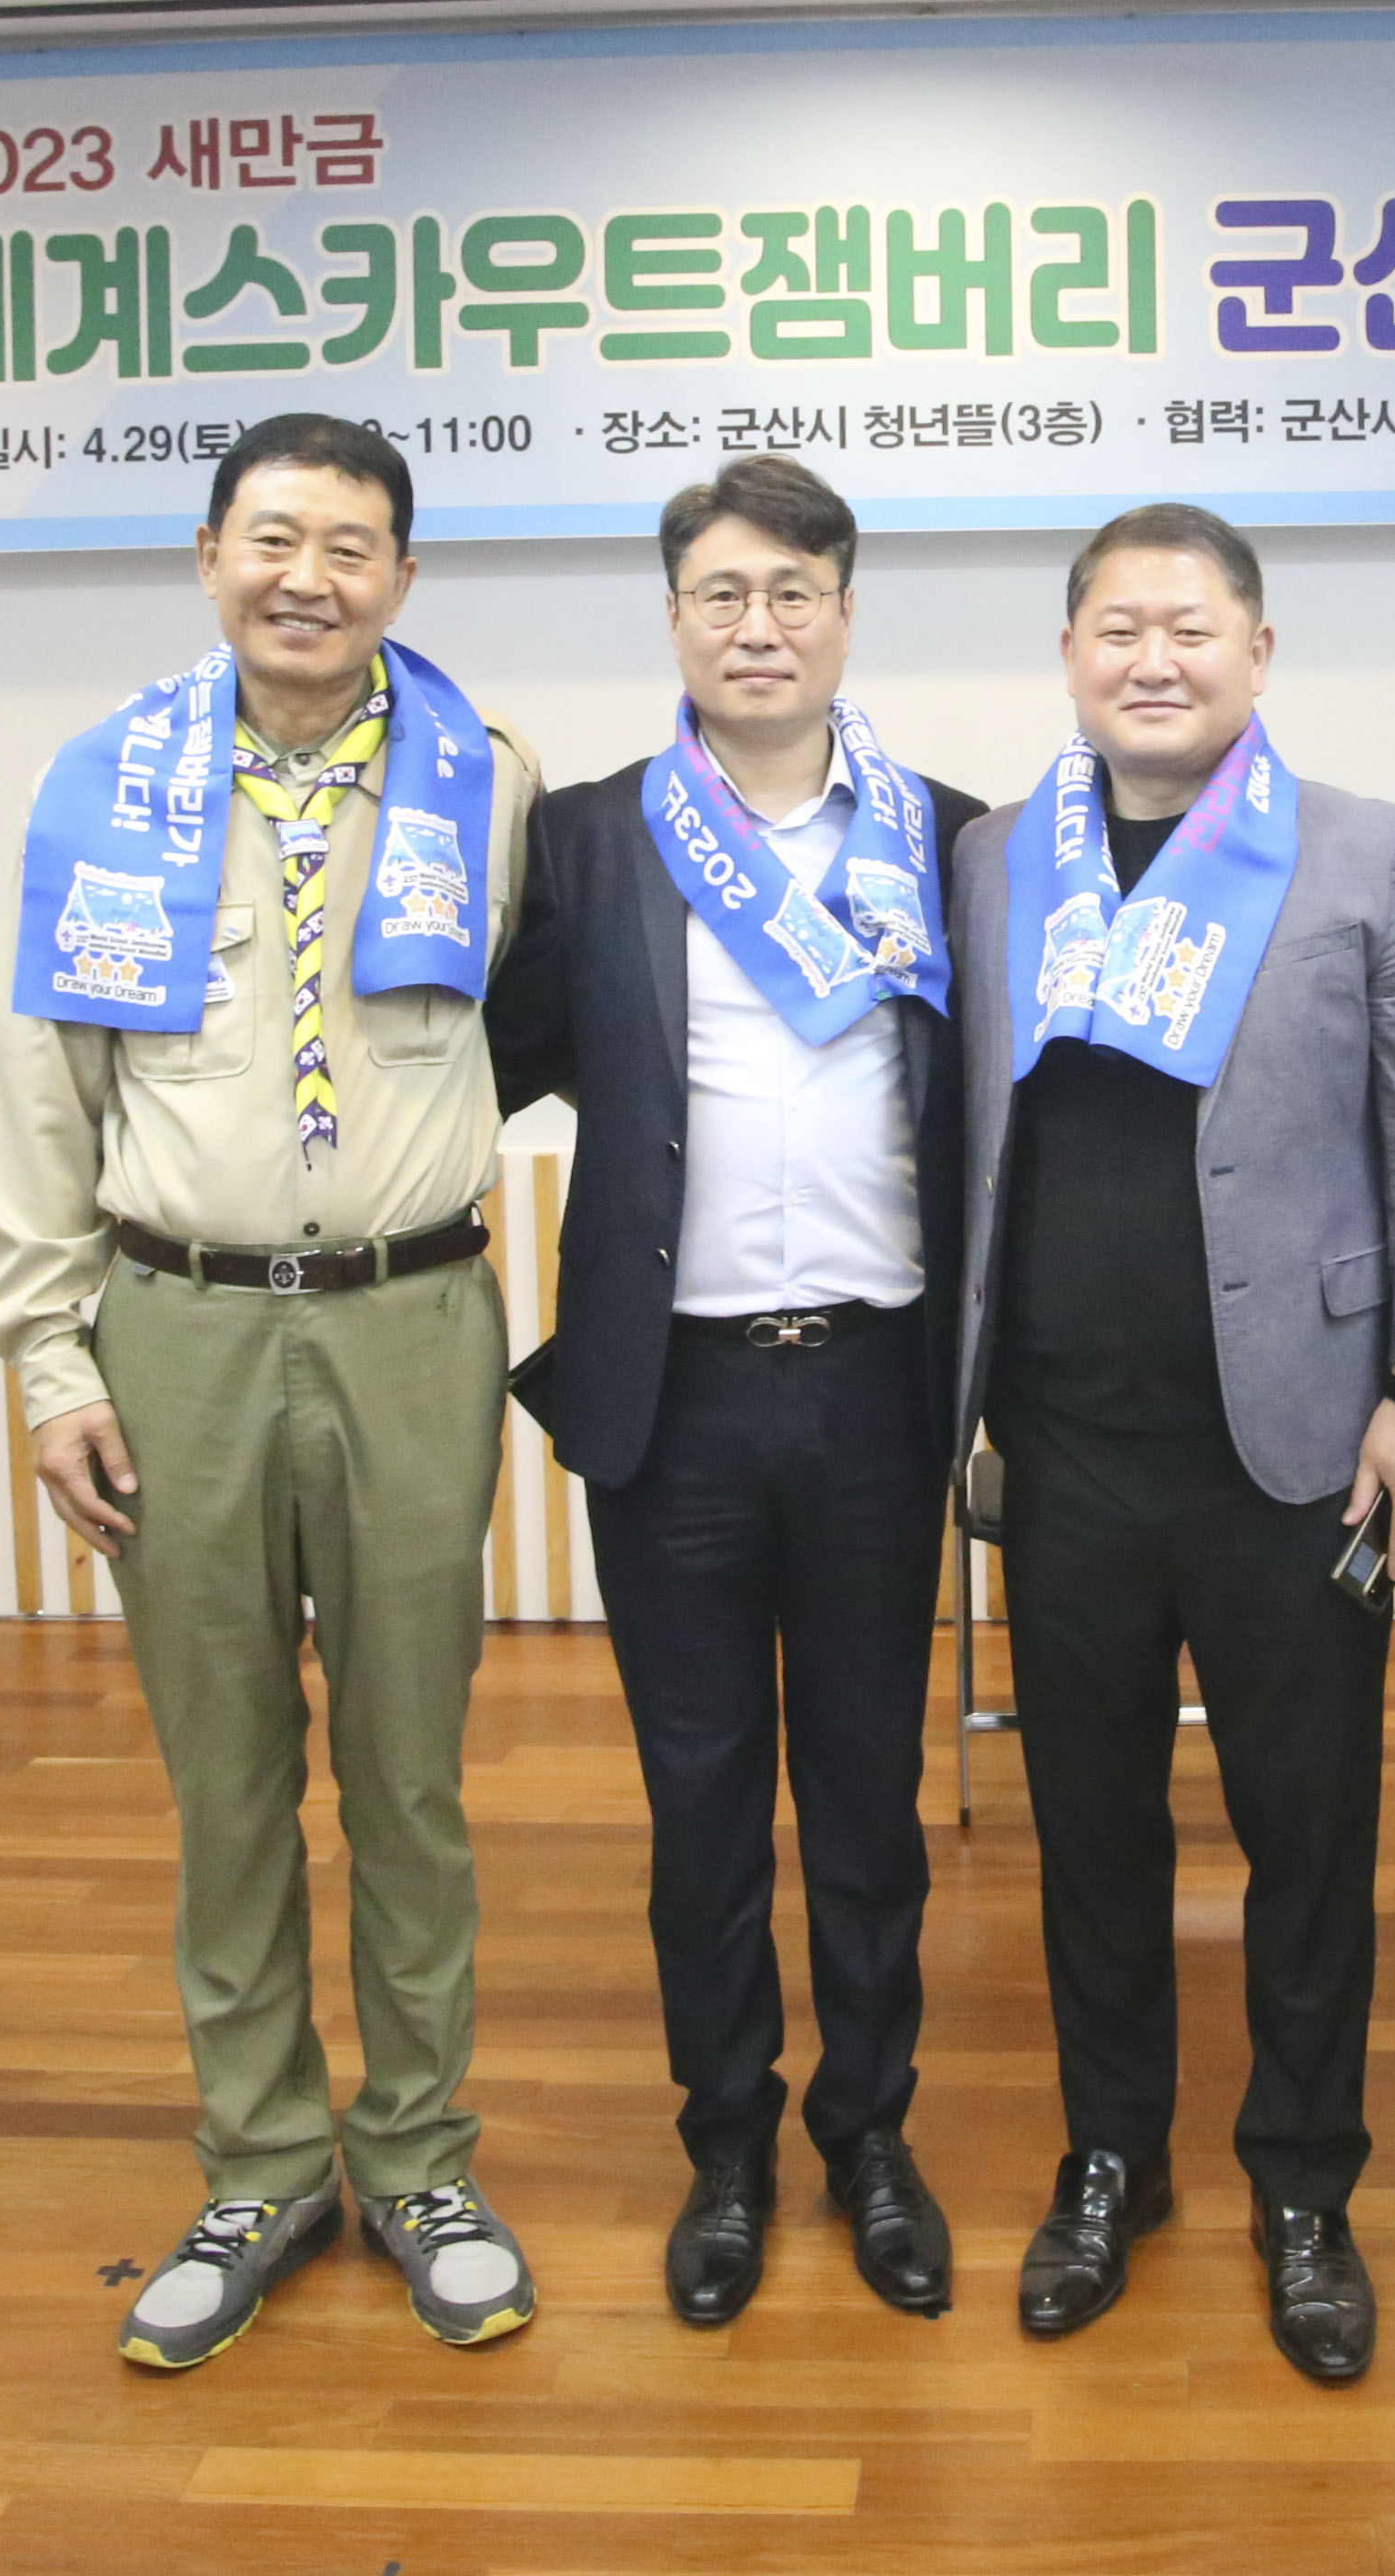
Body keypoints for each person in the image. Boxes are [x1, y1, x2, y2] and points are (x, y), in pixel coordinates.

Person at [0, 411, 549, 2371]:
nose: (310, 576)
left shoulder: (489, 781)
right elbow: (36, 1088)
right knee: (226, 1779)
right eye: (274, 538)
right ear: (209, 556)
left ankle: (422, 2158)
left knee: (409, 1774)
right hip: (179, 1331)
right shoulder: (101, 789)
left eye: (352, 545)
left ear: (404, 577)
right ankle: (264, 2162)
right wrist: (50, 1358)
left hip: (411, 1323)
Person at [947, 501, 1395, 2384]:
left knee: (1307, 1840)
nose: (1152, 660)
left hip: (1301, 1449)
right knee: (1089, 1832)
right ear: (1070, 656)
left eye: (1189, 627)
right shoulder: (997, 857)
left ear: (1259, 651)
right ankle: (1111, 2160)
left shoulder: (1363, 849)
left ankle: (1305, 2187)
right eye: (1116, 628)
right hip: (1064, 1452)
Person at [485, 455, 979, 2329]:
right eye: (721, 594)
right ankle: (727, 2146)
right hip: (672, 1399)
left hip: (874, 1388)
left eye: (791, 592)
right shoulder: (590, 841)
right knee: (698, 1802)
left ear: (845, 613)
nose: (756, 626)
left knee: (865, 1797)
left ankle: (873, 2134)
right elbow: (491, 1058)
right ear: (674, 617)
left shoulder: (954, 841)